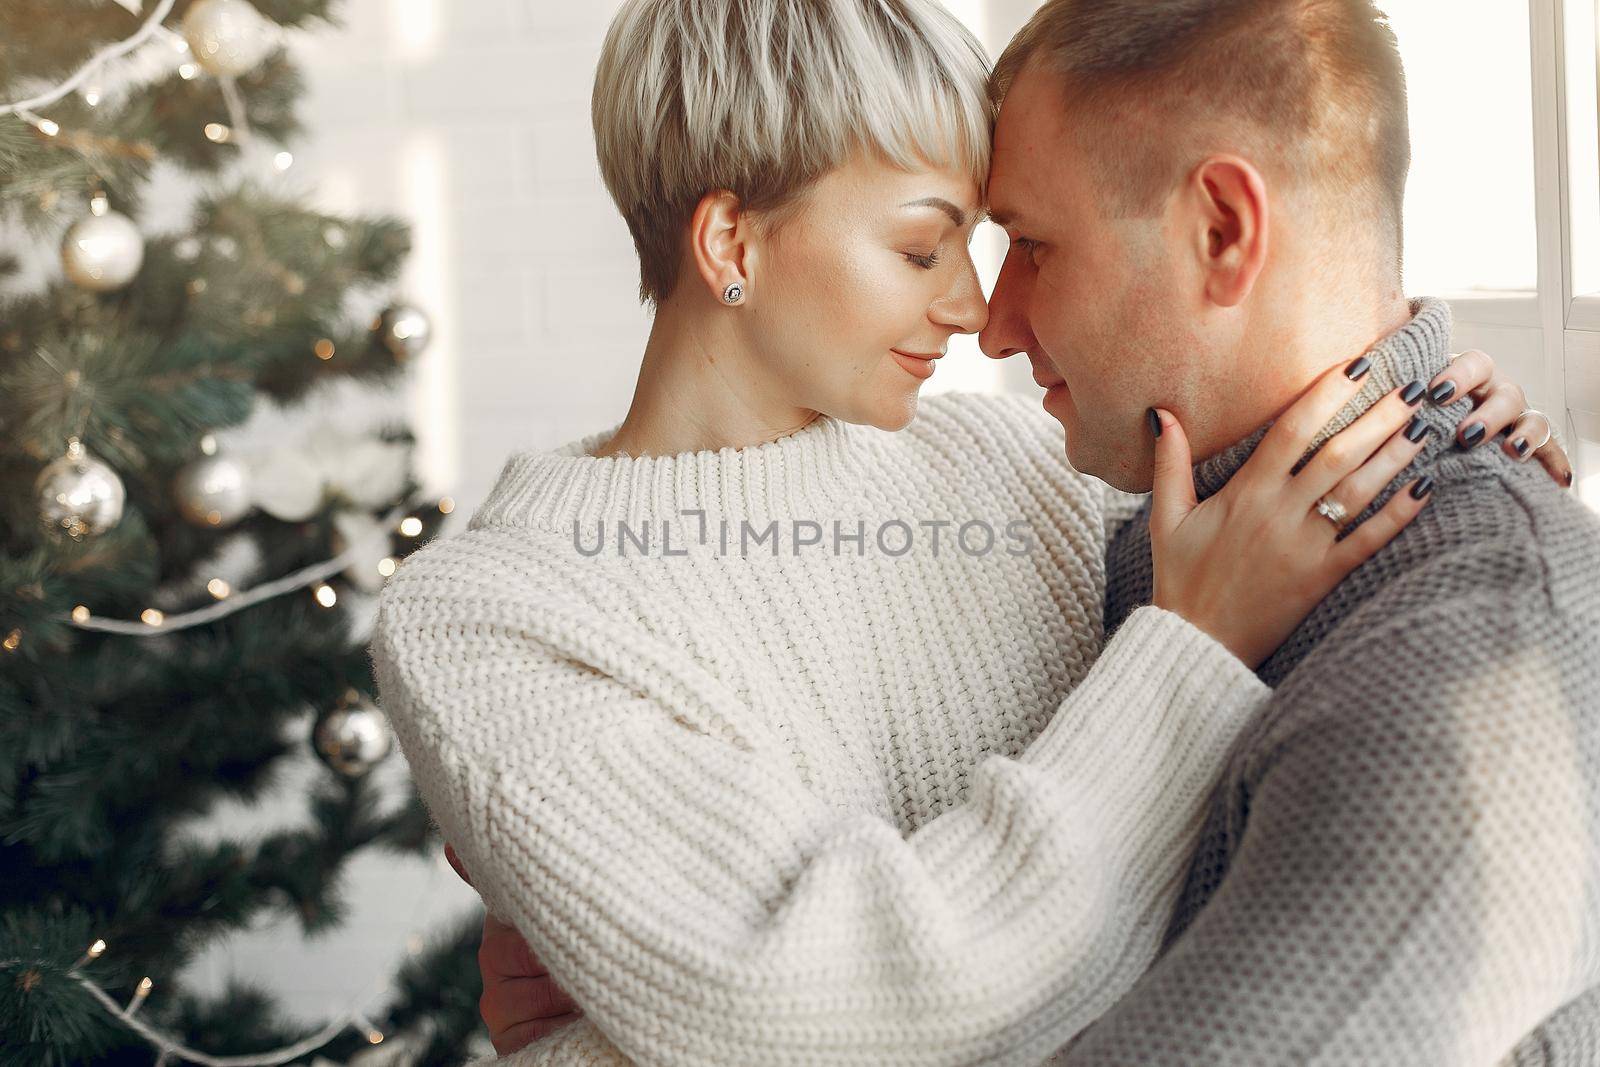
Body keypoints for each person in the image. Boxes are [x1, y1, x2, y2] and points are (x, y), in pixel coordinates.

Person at [372, 0, 1575, 1063]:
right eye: (918, 245)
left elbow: (1295, 451)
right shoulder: (490, 616)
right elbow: (803, 1008)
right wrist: (1186, 651)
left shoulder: (1019, 471)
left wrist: (1432, 409)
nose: (973, 313)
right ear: (732, 245)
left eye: (1000, 244)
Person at [970, 0, 1600, 1062]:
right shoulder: (1142, 537)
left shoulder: (1475, 667)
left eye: (1032, 245)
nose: (991, 320)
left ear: (1221, 230)